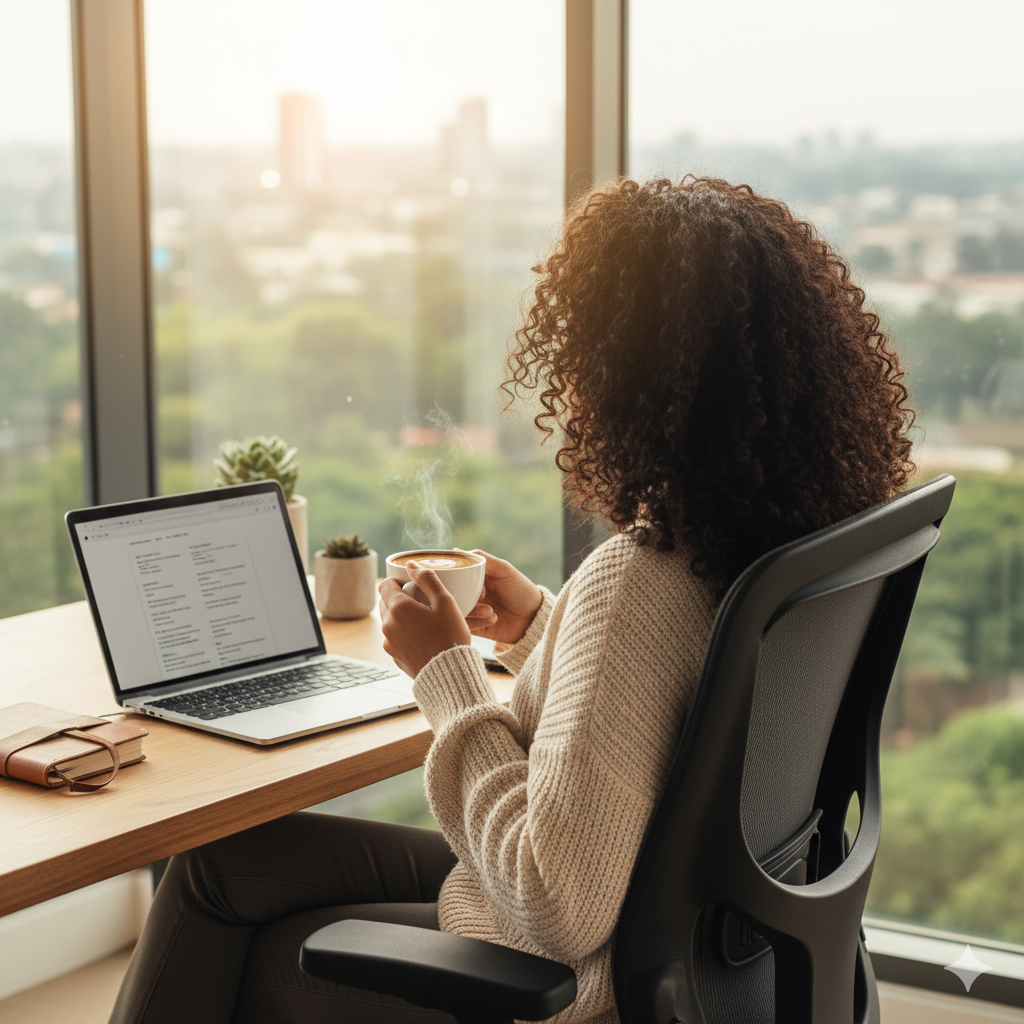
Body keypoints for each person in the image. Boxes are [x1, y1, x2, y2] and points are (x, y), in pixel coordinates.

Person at [109, 177, 914, 1024]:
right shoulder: (784, 538)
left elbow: (558, 901)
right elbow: (677, 714)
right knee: (224, 866)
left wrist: (448, 673)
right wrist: (543, 626)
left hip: (578, 978)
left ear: (626, 372)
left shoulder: (639, 579)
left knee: (259, 945)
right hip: (712, 950)